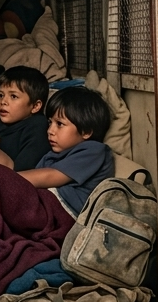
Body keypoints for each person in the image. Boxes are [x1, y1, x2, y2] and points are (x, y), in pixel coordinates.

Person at [21, 86, 114, 215]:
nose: (50, 131)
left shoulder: (94, 150)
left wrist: (6, 180)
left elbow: (51, 176)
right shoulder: (52, 155)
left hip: (63, 212)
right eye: (50, 122)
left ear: (86, 131)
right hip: (44, 206)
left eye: (59, 124)